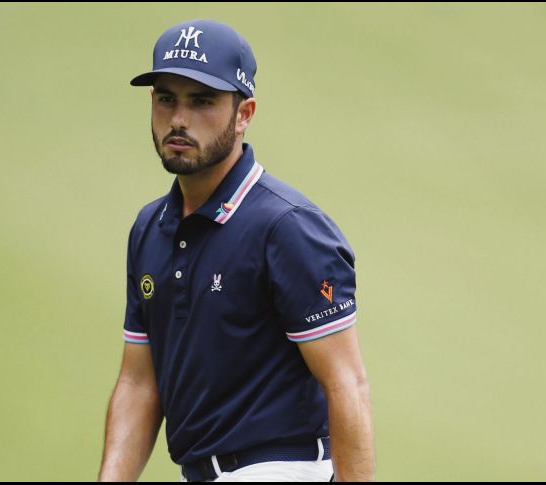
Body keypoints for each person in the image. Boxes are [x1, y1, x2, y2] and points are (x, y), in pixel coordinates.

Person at [98, 19, 374, 482]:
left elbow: (347, 385)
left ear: (244, 113)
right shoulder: (150, 228)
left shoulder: (288, 228)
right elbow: (139, 383)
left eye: (202, 101)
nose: (179, 119)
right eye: (166, 98)